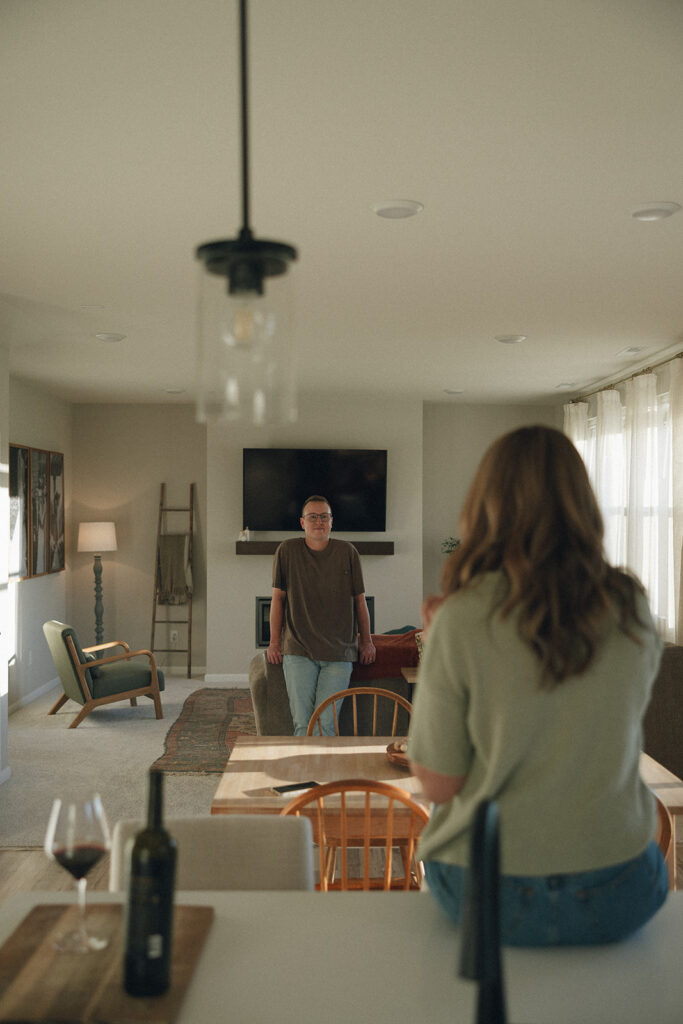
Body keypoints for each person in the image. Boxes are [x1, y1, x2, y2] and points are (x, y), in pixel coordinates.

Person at [407, 425, 668, 947]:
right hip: (620, 888)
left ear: (486, 504)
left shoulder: (460, 617)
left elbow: (438, 784)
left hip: (484, 891)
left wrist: (437, 642)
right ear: (583, 502)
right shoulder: (632, 604)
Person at [266, 495, 376, 735]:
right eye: (312, 517)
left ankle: (323, 774)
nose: (319, 522)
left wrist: (366, 641)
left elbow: (360, 601)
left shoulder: (348, 552)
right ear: (302, 522)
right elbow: (278, 600)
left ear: (331, 521)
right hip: (298, 651)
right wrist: (274, 643)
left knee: (326, 724)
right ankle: (305, 774)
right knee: (303, 725)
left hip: (339, 653)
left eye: (324, 517)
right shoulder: (286, 551)